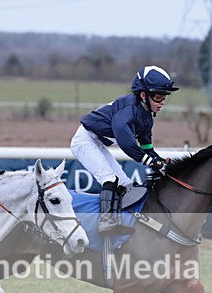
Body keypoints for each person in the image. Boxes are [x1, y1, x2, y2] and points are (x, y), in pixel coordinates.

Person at [70, 65, 178, 234]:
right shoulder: (127, 110)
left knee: (125, 184)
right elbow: (126, 143)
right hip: (84, 140)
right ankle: (105, 222)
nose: (162, 102)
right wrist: (151, 162)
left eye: (165, 97)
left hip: (97, 142)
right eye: (158, 97)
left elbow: (147, 148)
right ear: (143, 95)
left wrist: (161, 163)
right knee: (109, 178)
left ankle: (120, 221)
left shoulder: (147, 118)